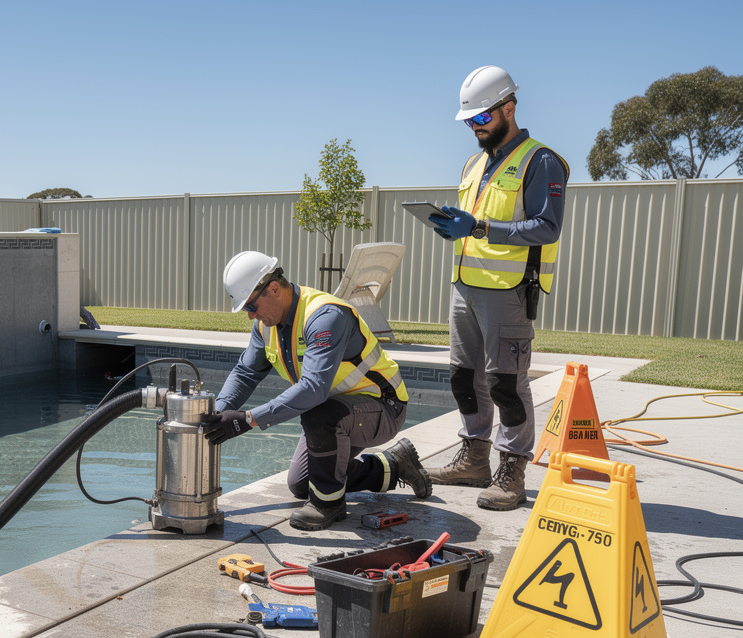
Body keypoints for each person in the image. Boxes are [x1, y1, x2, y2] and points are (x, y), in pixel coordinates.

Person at [200, 250, 431, 531]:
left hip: (384, 406)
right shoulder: (265, 326)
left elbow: (313, 389)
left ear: (274, 289)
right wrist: (218, 413)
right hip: (340, 409)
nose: (250, 316)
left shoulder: (325, 316)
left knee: (318, 418)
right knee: (302, 483)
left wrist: (248, 419)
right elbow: (246, 373)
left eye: (251, 305)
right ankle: (396, 465)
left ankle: (328, 505)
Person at [425, 65, 570, 511]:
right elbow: (473, 223)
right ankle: (473, 460)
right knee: (463, 378)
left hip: (509, 291)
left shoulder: (541, 161)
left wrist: (481, 227)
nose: (475, 127)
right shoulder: (475, 164)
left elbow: (547, 227)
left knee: (506, 383)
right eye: (469, 121)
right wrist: (454, 227)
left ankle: (512, 471)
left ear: (509, 107)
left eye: (482, 118)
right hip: (465, 286)